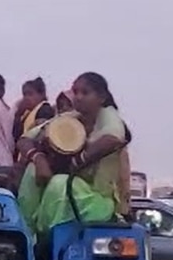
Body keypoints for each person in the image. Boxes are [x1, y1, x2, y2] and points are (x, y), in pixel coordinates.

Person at [15, 72, 131, 233]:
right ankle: (24, 234)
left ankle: (45, 240)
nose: (78, 97)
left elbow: (113, 138)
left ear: (102, 97)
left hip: (98, 201)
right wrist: (38, 157)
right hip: (73, 191)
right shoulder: (70, 118)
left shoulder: (108, 115)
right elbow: (24, 140)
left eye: (85, 92)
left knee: (59, 184)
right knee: (32, 171)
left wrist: (77, 162)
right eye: (75, 92)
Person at [12, 77, 55, 141]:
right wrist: (18, 114)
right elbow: (16, 135)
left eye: (30, 94)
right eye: (24, 94)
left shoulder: (45, 110)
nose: (26, 98)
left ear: (42, 95)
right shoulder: (26, 113)